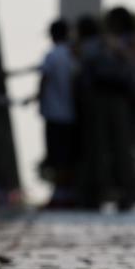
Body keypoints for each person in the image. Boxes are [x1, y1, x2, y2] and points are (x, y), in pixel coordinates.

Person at [77, 13, 135, 210]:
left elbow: (84, 72)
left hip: (102, 98)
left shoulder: (97, 45)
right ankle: (122, 193)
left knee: (100, 147)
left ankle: (99, 194)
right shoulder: (119, 44)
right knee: (118, 147)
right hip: (117, 98)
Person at [37, 19, 78, 206]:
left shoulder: (51, 55)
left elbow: (44, 80)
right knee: (68, 155)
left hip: (54, 113)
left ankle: (60, 194)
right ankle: (68, 193)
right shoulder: (72, 55)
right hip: (71, 113)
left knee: (57, 155)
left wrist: (38, 99)